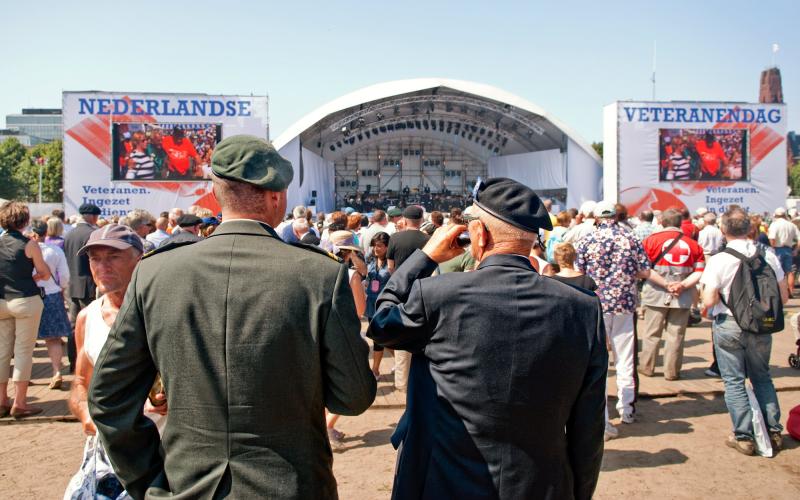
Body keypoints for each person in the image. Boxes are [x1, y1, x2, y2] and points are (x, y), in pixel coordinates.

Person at [88, 135, 376, 498]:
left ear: (217, 194)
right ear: (277, 197)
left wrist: (149, 480)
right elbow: (353, 397)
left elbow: (108, 397)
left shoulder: (156, 273)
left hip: (185, 485)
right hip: (291, 486)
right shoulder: (318, 274)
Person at [369, 178, 607, 499]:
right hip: (540, 485)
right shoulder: (582, 308)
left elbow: (381, 324)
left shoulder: (438, 295)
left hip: (444, 482)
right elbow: (588, 428)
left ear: (478, 234)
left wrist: (425, 257)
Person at [69, 224, 148, 498]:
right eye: (95, 258)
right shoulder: (87, 318)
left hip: (163, 453)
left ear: (139, 259)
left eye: (113, 257)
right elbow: (80, 382)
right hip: (110, 455)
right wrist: (85, 413)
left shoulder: (162, 312)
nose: (102, 266)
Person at [700, 206, 787, 456]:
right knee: (762, 377)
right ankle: (773, 430)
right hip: (761, 325)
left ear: (723, 230)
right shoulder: (768, 255)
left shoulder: (719, 259)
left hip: (729, 323)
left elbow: (708, 301)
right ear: (751, 229)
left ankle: (744, 435)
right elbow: (783, 294)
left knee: (734, 381)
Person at [576, 201, 669, 425]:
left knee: (598, 360)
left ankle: (604, 418)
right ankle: (626, 410)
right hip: (625, 304)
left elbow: (579, 272)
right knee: (625, 359)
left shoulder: (588, 239)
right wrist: (626, 276)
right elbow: (645, 270)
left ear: (597, 217)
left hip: (596, 304)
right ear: (616, 216)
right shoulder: (630, 237)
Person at [639, 209, 705, 381]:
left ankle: (647, 367)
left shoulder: (650, 241)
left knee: (652, 334)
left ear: (661, 222)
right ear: (680, 223)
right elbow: (699, 271)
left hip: (655, 292)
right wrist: (681, 285)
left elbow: (644, 270)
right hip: (682, 295)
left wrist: (665, 284)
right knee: (676, 335)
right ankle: (672, 372)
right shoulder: (694, 245)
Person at [0, 201, 50, 418]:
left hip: (2, 301)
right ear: (25, 221)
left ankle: (1, 400)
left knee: (2, 352)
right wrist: (35, 275)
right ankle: (20, 402)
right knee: (23, 351)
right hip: (26, 300)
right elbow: (44, 272)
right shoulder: (29, 244)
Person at [386, 205, 430, 393]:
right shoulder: (427, 239)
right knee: (424, 333)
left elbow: (390, 266)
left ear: (404, 219)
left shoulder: (395, 238)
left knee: (402, 332)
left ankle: (402, 382)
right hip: (424, 290)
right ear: (421, 220)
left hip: (401, 290)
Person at [29, 220, 71, 389]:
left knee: (25, 340)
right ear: (46, 233)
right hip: (51, 294)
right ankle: (57, 372)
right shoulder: (56, 250)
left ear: (32, 233)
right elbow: (65, 275)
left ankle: (24, 375)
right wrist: (60, 287)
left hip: (29, 294)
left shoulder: (24, 251)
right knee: (53, 338)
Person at [63, 203, 101, 374]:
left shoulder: (69, 234)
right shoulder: (92, 233)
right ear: (93, 217)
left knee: (74, 326)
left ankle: (73, 362)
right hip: (89, 286)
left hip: (73, 286)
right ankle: (88, 365)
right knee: (91, 325)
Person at [365, 232, 392, 379]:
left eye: (380, 246)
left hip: (384, 304)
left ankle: (375, 370)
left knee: (379, 337)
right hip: (371, 303)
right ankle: (401, 362)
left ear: (388, 247)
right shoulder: (370, 259)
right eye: (374, 245)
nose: (376, 249)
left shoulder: (392, 262)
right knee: (380, 337)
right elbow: (365, 274)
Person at [768, 207, 798, 295]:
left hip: (777, 249)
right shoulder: (791, 225)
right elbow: (799, 237)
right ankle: (791, 291)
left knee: (777, 271)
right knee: (789, 271)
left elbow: (772, 238)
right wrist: (796, 249)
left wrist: (772, 248)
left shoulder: (774, 224)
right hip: (788, 249)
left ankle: (780, 292)